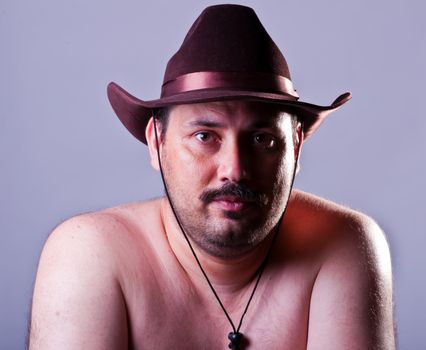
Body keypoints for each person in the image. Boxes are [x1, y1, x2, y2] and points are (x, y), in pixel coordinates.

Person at [29, 4, 395, 349]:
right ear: (157, 142)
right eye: (205, 137)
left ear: (295, 148)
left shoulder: (342, 245)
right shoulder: (90, 253)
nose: (234, 169)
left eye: (262, 139)